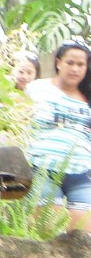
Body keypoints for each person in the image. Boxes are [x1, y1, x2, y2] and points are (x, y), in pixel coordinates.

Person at [26, 40, 91, 231]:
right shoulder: (36, 89)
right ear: (58, 62)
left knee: (83, 240)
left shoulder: (88, 97)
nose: (75, 69)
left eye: (81, 65)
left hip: (82, 173)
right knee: (48, 235)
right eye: (70, 62)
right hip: (41, 169)